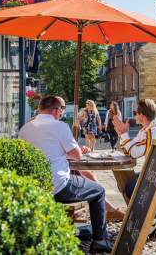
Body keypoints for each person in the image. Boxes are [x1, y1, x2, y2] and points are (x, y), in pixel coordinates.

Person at [18, 96, 112, 253]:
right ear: (55, 110)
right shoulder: (59, 126)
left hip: (34, 186)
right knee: (98, 191)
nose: (61, 113)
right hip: (59, 186)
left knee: (84, 181)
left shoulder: (25, 128)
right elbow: (77, 156)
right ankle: (100, 241)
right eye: (61, 110)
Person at [113, 99, 156, 199]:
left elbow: (134, 153)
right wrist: (122, 133)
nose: (134, 115)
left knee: (130, 188)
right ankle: (136, 213)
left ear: (142, 115)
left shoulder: (154, 131)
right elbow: (129, 150)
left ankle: (145, 214)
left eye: (135, 113)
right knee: (124, 181)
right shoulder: (147, 129)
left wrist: (124, 133)